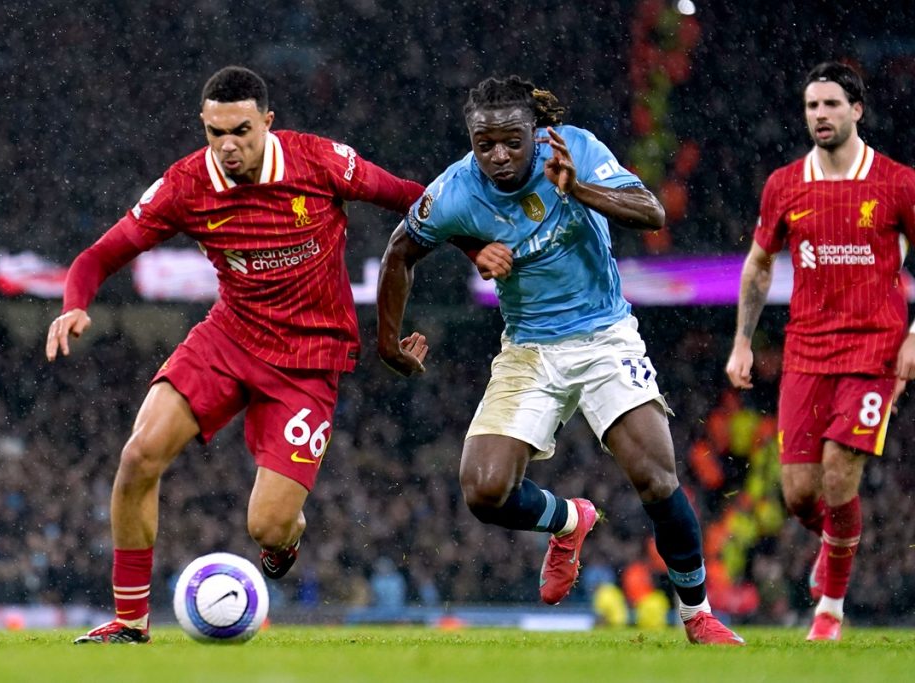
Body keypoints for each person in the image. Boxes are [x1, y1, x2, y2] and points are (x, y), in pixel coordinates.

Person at [45, 65, 431, 644]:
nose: (228, 145)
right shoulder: (185, 185)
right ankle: (130, 623)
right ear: (203, 126)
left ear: (267, 123)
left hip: (309, 360)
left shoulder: (319, 161)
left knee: (268, 527)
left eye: (242, 131)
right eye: (215, 132)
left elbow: (415, 198)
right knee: (138, 455)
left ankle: (287, 536)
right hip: (229, 337)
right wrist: (75, 303)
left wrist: (478, 245)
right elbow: (97, 257)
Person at [377, 75, 744, 645]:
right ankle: (569, 520)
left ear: (536, 132)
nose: (499, 155)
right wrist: (386, 342)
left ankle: (697, 615)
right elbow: (400, 252)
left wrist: (581, 191)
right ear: (471, 139)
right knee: (483, 490)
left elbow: (651, 213)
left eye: (512, 141)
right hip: (528, 349)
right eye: (484, 143)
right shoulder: (453, 191)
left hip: (604, 336)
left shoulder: (576, 149)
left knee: (656, 476)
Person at [726, 62, 915, 641]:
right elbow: (759, 267)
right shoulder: (785, 184)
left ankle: (829, 609)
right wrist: (740, 341)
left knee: (838, 478)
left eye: (831, 104)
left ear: (857, 110)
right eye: (812, 107)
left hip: (874, 350)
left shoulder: (898, 182)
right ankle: (834, 545)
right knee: (799, 494)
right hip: (806, 351)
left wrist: (914, 336)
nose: (820, 116)